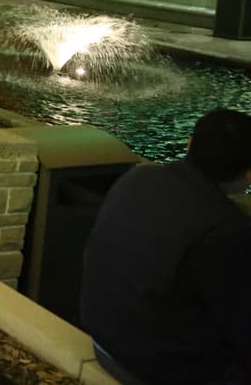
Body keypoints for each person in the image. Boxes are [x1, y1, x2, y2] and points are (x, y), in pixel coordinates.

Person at [81, 108, 251, 385]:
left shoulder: (138, 178)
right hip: (153, 368)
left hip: (103, 342)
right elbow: (241, 325)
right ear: (247, 174)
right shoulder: (224, 228)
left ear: (189, 144)